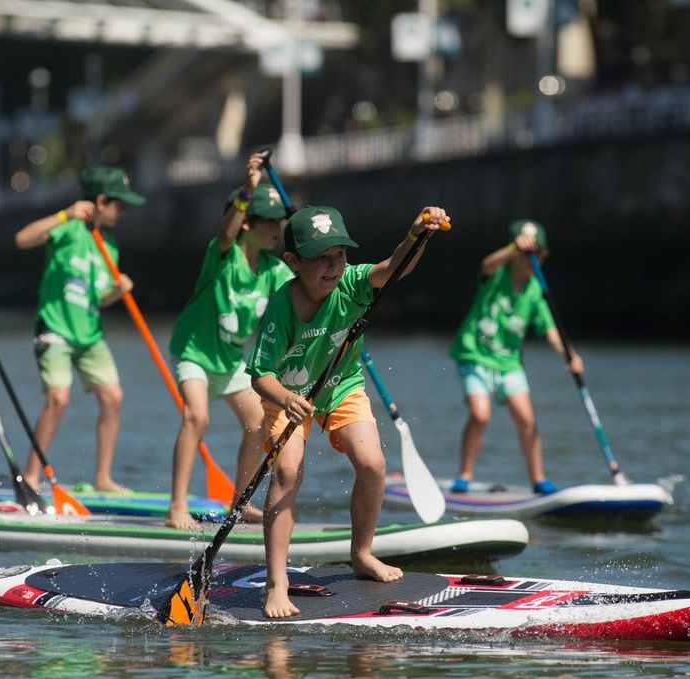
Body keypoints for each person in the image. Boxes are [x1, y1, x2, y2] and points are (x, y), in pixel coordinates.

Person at [247, 204, 449, 618]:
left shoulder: (354, 283)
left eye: (338, 254)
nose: (332, 265)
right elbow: (260, 375)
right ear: (293, 262)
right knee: (287, 472)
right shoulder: (282, 308)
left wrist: (416, 235)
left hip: (342, 387)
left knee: (373, 463)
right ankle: (277, 581)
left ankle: (362, 554)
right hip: (288, 395)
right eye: (320, 257)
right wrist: (285, 398)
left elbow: (395, 267)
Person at [166, 152, 293, 529]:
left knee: (258, 423)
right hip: (193, 351)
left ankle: (239, 504)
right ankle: (176, 507)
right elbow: (224, 232)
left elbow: (303, 291)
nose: (275, 229)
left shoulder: (273, 270)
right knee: (197, 415)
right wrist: (247, 190)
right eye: (266, 222)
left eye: (278, 222)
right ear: (246, 225)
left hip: (231, 359)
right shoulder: (221, 255)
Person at [14, 165, 144, 493]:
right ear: (101, 201)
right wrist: (64, 215)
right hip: (55, 328)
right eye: (120, 203)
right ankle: (30, 475)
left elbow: (96, 299)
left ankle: (103, 478)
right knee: (58, 399)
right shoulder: (68, 230)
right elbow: (22, 239)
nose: (124, 211)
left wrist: (117, 292)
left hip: (89, 335)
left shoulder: (108, 247)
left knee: (113, 396)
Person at [449, 219, 583, 496]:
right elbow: (486, 265)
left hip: (509, 362)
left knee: (526, 419)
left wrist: (569, 354)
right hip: (474, 354)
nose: (529, 260)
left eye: (535, 254)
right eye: (524, 254)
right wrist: (513, 248)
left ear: (543, 257)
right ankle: (465, 474)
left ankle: (538, 478)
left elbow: (549, 329)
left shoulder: (536, 290)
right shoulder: (497, 274)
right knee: (480, 414)